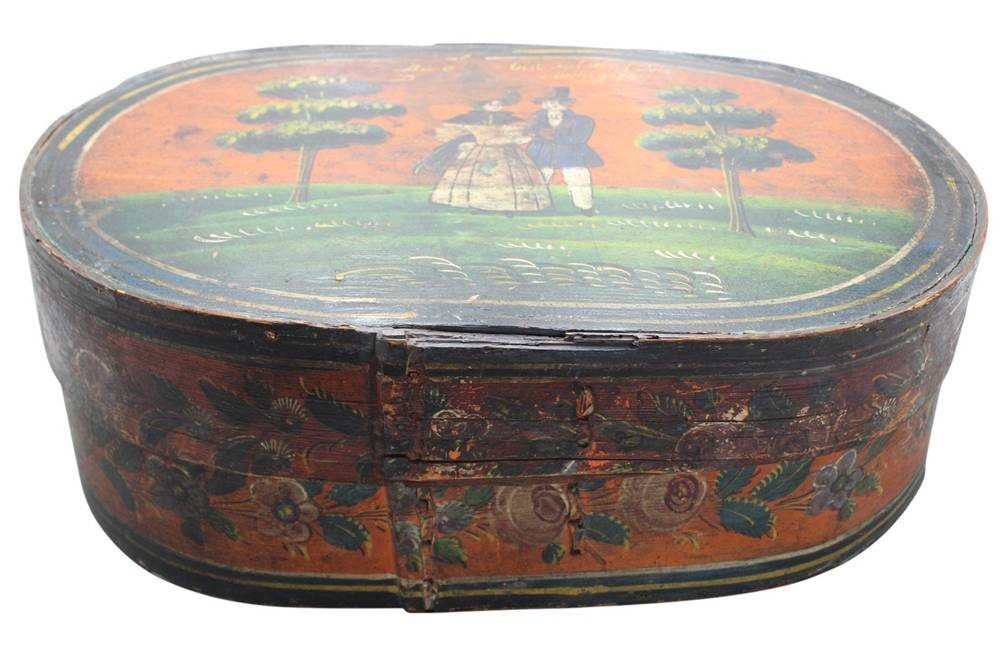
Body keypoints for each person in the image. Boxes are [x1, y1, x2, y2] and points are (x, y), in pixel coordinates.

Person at [415, 91, 552, 213]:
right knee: (474, 176)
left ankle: (506, 204)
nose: (496, 106)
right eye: (491, 104)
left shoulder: (509, 120)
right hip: (479, 150)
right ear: (483, 105)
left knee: (508, 178)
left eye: (499, 104)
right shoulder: (472, 118)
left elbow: (522, 131)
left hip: (506, 151)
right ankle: (476, 202)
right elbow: (456, 129)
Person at [527, 87, 604, 215]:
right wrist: (538, 134)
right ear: (544, 103)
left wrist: (559, 135)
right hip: (543, 151)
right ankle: (532, 204)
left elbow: (579, 137)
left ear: (566, 103)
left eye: (559, 101)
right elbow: (528, 132)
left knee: (577, 175)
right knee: (538, 176)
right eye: (550, 101)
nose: (554, 105)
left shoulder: (578, 120)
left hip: (569, 152)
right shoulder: (536, 119)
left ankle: (585, 206)